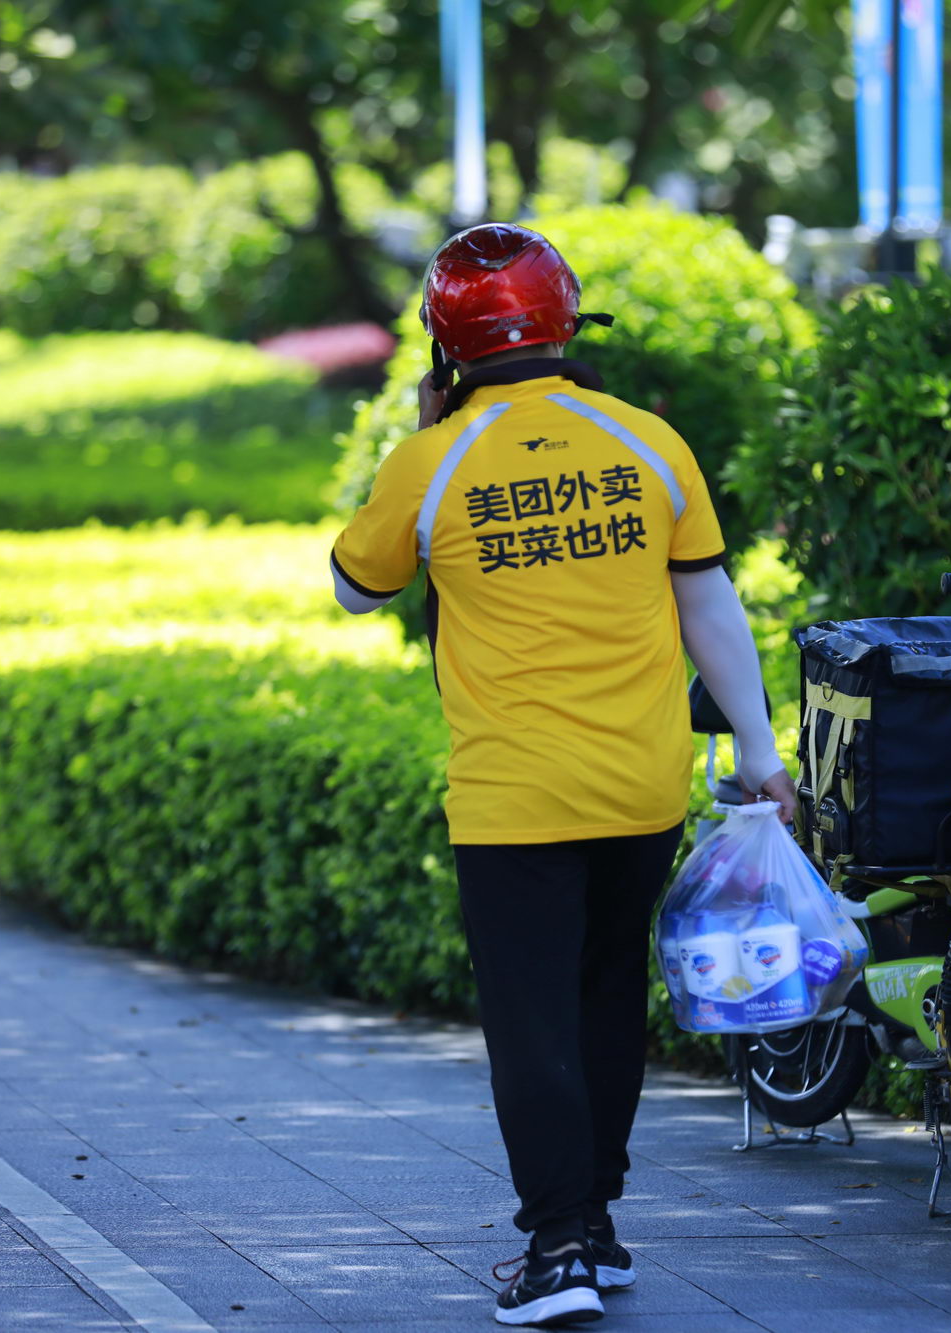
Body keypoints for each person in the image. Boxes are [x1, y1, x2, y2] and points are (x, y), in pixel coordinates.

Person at [329, 223, 795, 1329]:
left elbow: (357, 589)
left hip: (511, 798)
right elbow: (708, 605)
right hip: (641, 785)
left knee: (529, 1019)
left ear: (446, 347)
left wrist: (424, 449)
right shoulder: (643, 441)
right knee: (602, 998)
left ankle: (556, 1245)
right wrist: (762, 753)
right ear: (565, 323)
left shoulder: (431, 459)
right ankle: (596, 1218)